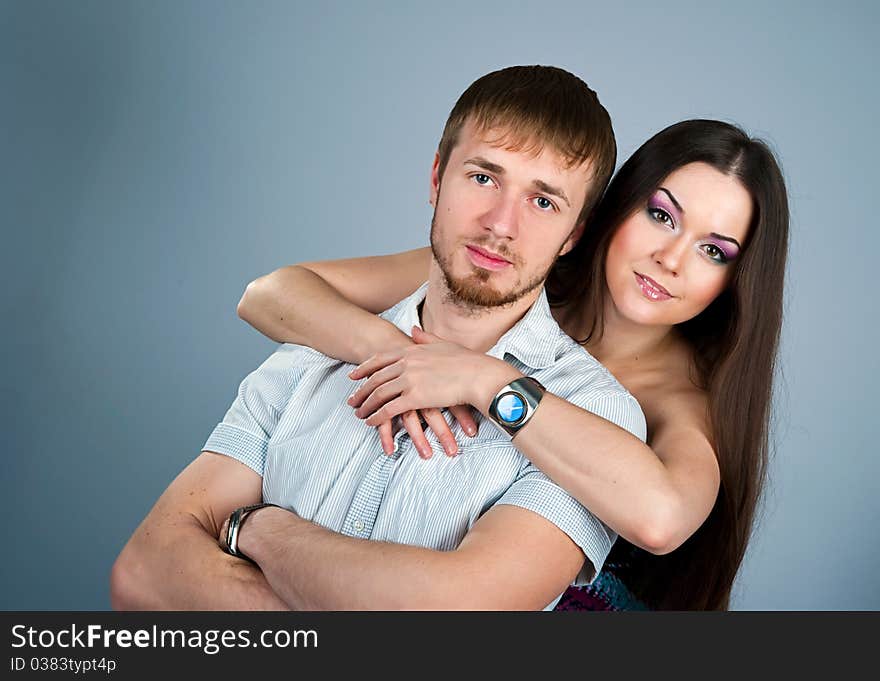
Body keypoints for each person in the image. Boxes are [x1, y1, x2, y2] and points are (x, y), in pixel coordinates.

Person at [110, 65, 648, 611]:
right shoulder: (310, 354)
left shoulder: (591, 413)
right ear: (437, 178)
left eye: (543, 202)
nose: (500, 224)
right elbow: (145, 572)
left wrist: (261, 529)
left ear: (572, 236)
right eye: (483, 177)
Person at [237, 119, 790, 610]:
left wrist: (485, 380)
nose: (669, 259)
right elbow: (269, 294)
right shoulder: (512, 275)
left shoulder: (677, 404)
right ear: (615, 206)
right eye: (662, 216)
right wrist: (395, 350)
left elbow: (662, 519)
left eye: (713, 251)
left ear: (735, 282)